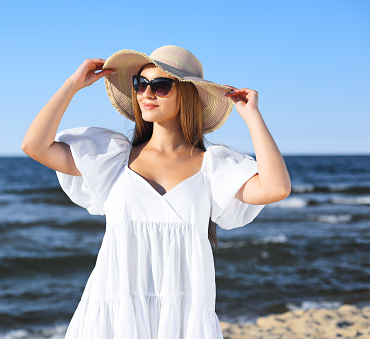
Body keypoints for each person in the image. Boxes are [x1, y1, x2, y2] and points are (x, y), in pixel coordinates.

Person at [21, 45, 291, 339]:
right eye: (141, 84)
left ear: (187, 94)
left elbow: (276, 187)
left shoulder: (213, 167)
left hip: (182, 319)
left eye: (161, 86)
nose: (147, 94)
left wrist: (252, 116)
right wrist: (72, 85)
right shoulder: (113, 158)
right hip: (114, 313)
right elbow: (34, 147)